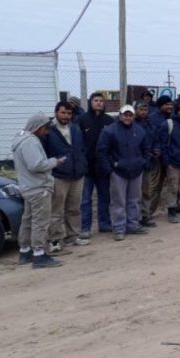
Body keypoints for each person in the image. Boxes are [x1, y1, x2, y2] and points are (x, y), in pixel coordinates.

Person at [12, 113, 66, 268]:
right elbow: (36, 165)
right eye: (45, 128)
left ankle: (25, 250)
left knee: (28, 219)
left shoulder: (20, 139)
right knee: (40, 222)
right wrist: (55, 162)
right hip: (38, 188)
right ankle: (39, 254)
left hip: (28, 187)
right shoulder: (29, 142)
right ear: (38, 127)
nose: (46, 132)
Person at [97, 105, 151, 241]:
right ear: (120, 115)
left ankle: (133, 225)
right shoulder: (109, 131)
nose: (127, 117)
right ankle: (119, 228)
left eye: (130, 115)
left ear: (133, 116)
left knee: (134, 200)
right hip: (118, 172)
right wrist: (109, 169)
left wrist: (142, 163)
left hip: (136, 171)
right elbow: (101, 151)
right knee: (118, 202)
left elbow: (146, 149)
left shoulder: (140, 130)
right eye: (125, 115)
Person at [43, 101, 87, 252]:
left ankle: (73, 236)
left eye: (69, 113)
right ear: (56, 112)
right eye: (63, 113)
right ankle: (54, 239)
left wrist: (82, 165)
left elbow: (81, 149)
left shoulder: (75, 128)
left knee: (74, 208)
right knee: (56, 210)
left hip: (77, 175)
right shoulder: (48, 130)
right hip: (58, 176)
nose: (66, 116)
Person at [78, 91, 113, 237]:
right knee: (86, 200)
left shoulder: (109, 120)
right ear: (90, 102)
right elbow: (78, 143)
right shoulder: (82, 119)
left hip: (103, 167)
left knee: (104, 197)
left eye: (101, 100)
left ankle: (104, 224)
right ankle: (85, 227)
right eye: (95, 100)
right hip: (87, 167)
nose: (98, 103)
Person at [137, 99, 164, 227]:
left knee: (147, 191)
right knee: (135, 194)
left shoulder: (150, 125)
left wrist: (156, 150)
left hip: (149, 163)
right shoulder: (131, 125)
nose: (143, 112)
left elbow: (156, 139)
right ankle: (134, 218)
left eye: (145, 110)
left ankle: (145, 216)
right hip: (135, 164)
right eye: (141, 109)